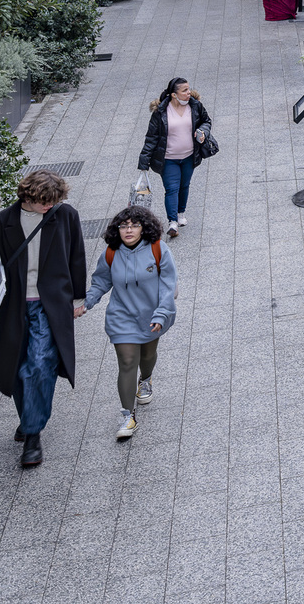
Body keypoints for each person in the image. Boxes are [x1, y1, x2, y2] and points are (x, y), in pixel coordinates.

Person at [0, 170, 89, 469]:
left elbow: (76, 256)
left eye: (56, 201)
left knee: (39, 365)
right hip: (11, 306)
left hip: (50, 306)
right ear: (29, 197)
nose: (51, 206)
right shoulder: (1, 223)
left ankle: (32, 437)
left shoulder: (66, 216)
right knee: (17, 368)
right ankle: (29, 417)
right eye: (46, 202)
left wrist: (78, 298)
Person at [83, 205, 176, 443]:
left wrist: (161, 313)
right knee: (126, 362)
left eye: (134, 225)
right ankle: (127, 416)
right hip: (121, 316)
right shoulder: (111, 253)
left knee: (147, 355)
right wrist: (86, 303)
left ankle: (146, 379)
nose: (128, 230)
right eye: (124, 226)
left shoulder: (158, 249)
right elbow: (100, 281)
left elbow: (168, 285)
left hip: (151, 315)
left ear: (144, 228)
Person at [139, 77, 213, 237]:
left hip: (189, 156)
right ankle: (172, 222)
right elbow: (151, 137)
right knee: (172, 188)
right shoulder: (160, 112)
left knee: (184, 185)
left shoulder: (195, 106)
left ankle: (180, 214)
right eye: (184, 90)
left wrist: (203, 132)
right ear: (174, 94)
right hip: (168, 159)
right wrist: (144, 161)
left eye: (188, 89)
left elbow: (206, 121)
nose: (189, 93)